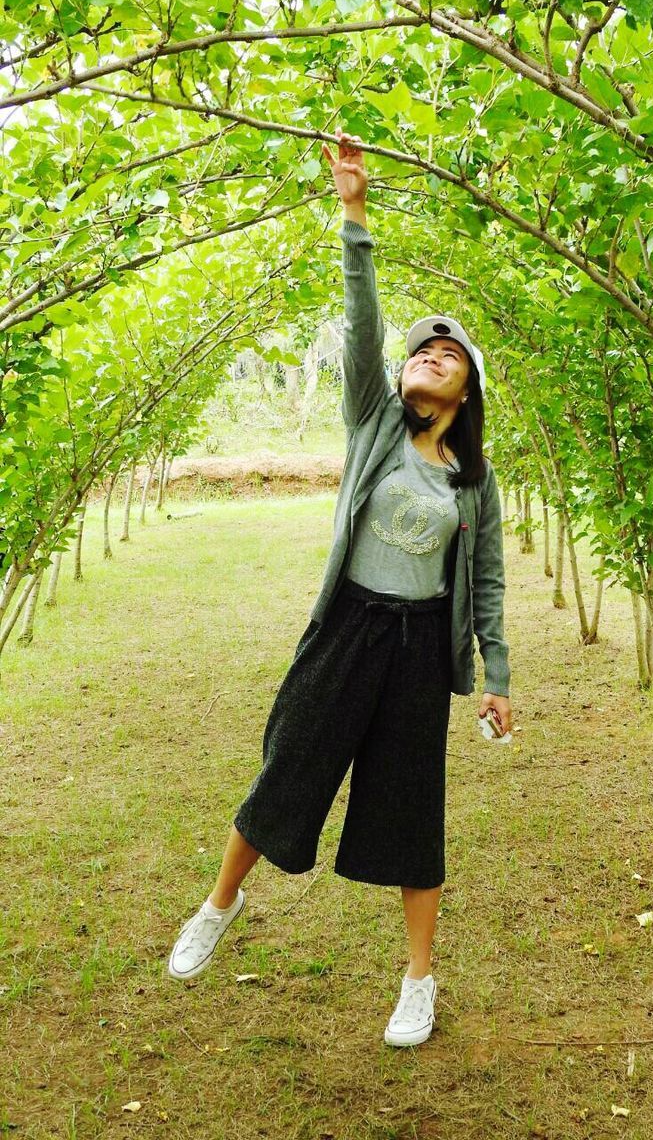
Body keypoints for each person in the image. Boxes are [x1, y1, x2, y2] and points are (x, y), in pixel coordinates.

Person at [166, 128, 513, 1048]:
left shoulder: (472, 483)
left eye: (449, 351)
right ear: (399, 375)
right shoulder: (370, 423)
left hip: (416, 653)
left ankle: (419, 980)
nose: (431, 352)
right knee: (289, 770)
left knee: (410, 809)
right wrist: (353, 210)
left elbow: (487, 587)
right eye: (421, 348)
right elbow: (363, 319)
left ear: (469, 387)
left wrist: (499, 677)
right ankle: (219, 903)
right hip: (346, 630)